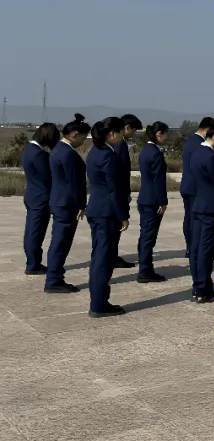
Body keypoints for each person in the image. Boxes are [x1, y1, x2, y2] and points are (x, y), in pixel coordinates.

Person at [85, 117, 129, 317]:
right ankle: (99, 304)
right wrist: (123, 215)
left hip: (96, 209)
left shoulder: (95, 152)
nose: (122, 136)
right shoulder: (109, 157)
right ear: (112, 134)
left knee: (99, 257)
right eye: (121, 132)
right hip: (106, 212)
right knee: (104, 259)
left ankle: (99, 300)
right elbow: (114, 190)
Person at [44, 114, 90, 294]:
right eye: (83, 138)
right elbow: (74, 182)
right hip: (66, 203)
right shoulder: (68, 153)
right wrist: (81, 204)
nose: (83, 142)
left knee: (59, 241)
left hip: (59, 201)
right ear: (74, 134)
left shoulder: (58, 150)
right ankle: (54, 279)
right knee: (61, 242)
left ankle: (55, 277)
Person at [189, 124, 214, 302]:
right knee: (207, 251)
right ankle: (203, 289)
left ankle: (198, 286)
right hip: (212, 208)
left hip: (199, 205)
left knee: (197, 249)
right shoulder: (211, 157)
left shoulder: (196, 152)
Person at [180, 117, 214, 261]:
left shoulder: (190, 141)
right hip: (196, 188)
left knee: (189, 219)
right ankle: (193, 248)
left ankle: (191, 247)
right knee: (193, 222)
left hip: (188, 186)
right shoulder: (199, 144)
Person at [22, 122, 59, 275]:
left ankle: (33, 261)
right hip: (41, 197)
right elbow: (48, 178)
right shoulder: (40, 155)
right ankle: (33, 264)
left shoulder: (29, 150)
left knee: (31, 230)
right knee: (35, 233)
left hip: (32, 194)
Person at [135, 121, 170, 283]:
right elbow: (158, 180)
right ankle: (145, 270)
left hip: (144, 197)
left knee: (145, 235)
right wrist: (163, 201)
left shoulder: (145, 151)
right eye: (165, 134)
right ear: (159, 134)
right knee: (149, 236)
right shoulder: (155, 153)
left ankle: (145, 267)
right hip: (152, 200)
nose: (167, 137)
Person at [112, 113, 143, 268]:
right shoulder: (120, 145)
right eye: (134, 130)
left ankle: (113, 255)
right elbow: (121, 171)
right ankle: (112, 256)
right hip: (118, 192)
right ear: (127, 128)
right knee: (115, 225)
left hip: (118, 191)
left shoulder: (114, 144)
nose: (134, 134)